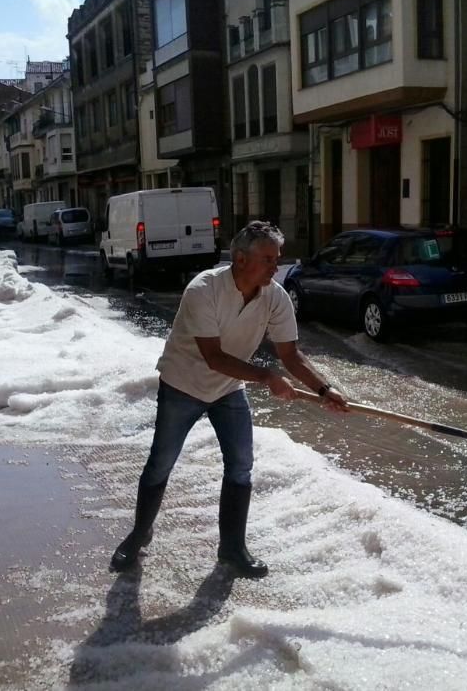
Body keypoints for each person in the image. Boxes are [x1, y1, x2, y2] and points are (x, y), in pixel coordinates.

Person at [111, 221, 349, 577]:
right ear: (240, 259)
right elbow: (214, 357)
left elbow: (290, 354)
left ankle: (232, 549)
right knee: (161, 461)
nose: (275, 267)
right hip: (183, 384)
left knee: (241, 465)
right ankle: (138, 535)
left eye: (277, 259)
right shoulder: (203, 289)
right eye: (268, 259)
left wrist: (324, 389)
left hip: (227, 389)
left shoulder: (275, 296)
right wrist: (267, 377)